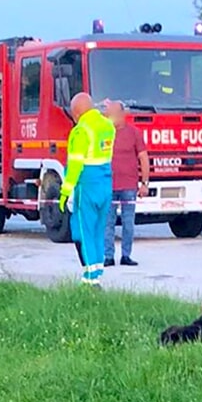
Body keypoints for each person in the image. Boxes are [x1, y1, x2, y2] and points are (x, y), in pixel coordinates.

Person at [58, 92, 114, 287]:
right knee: (99, 229)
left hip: (87, 186)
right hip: (106, 185)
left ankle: (90, 278)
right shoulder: (108, 126)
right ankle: (98, 270)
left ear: (76, 113)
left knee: (84, 230)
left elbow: (75, 165)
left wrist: (65, 191)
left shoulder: (81, 131)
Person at [105, 101, 147, 266]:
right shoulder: (105, 133)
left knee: (128, 222)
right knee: (108, 222)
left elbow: (143, 158)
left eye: (114, 113)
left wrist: (145, 183)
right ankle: (108, 256)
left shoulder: (134, 133)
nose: (111, 116)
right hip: (109, 185)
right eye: (109, 113)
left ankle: (126, 255)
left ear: (123, 114)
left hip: (129, 186)